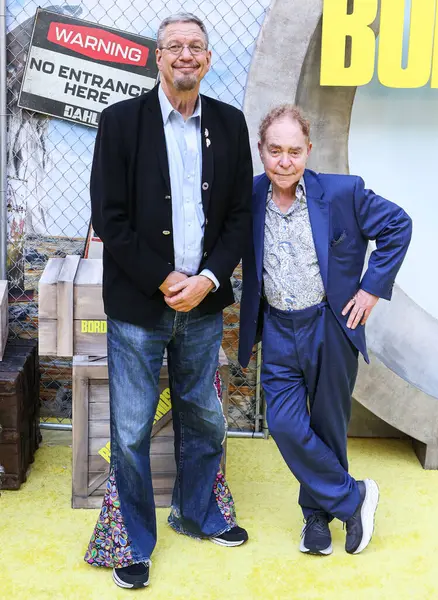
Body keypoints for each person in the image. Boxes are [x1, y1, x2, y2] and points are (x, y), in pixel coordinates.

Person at [85, 13, 252, 589]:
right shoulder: (121, 122)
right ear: (157, 56)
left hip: (204, 308)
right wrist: (164, 280)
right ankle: (131, 540)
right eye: (174, 46)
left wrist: (206, 278)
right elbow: (109, 216)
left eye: (196, 46)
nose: (186, 54)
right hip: (138, 306)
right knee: (130, 428)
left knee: (204, 416)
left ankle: (200, 513)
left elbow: (236, 218)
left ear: (207, 59)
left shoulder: (229, 125)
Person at [239, 105, 412, 556]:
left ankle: (316, 519)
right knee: (284, 423)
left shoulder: (341, 193)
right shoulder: (249, 196)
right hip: (277, 326)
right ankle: (354, 497)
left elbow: (398, 225)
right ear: (261, 152)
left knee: (328, 426)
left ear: (308, 151)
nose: (284, 161)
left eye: (294, 151)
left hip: (328, 325)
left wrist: (371, 289)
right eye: (275, 150)